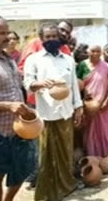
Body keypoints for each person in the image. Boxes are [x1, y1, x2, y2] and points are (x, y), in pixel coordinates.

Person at [24, 22, 83, 201]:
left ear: (59, 38)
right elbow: (27, 84)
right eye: (47, 37)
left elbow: (74, 85)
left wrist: (78, 107)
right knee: (46, 154)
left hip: (65, 112)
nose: (51, 40)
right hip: (45, 114)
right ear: (41, 39)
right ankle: (47, 191)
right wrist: (40, 84)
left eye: (54, 36)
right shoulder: (34, 59)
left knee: (65, 151)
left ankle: (67, 185)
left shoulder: (68, 59)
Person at [0, 13, 34, 201]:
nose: (7, 37)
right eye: (2, 33)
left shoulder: (8, 58)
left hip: (20, 130)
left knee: (23, 170)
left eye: (7, 32)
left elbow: (17, 87)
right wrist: (7, 105)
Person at [77, 45, 108, 157]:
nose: (95, 53)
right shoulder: (82, 65)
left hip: (104, 105)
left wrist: (106, 100)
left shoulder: (106, 66)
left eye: (98, 51)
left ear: (101, 52)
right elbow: (77, 83)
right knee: (89, 132)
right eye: (93, 51)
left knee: (105, 131)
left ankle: (106, 156)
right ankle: (92, 157)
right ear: (88, 52)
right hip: (89, 104)